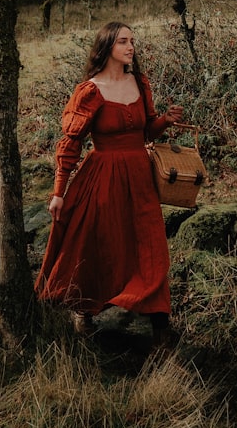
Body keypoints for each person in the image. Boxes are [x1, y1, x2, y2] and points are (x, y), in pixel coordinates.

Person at [34, 21, 183, 349]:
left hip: (141, 178)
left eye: (132, 41)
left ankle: (161, 329)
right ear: (106, 48)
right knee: (99, 245)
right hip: (102, 177)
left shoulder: (140, 83)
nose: (131, 47)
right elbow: (70, 144)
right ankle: (84, 313)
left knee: (152, 247)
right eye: (123, 42)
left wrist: (164, 122)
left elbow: (146, 133)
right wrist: (59, 192)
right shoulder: (90, 90)